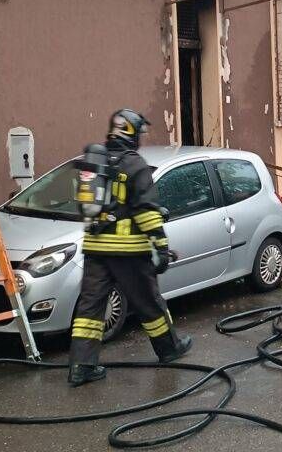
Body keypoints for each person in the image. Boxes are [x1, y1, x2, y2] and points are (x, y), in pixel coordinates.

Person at [68, 109, 192, 386]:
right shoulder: (135, 166)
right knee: (149, 303)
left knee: (90, 307)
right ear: (131, 132)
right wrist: (160, 247)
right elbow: (147, 212)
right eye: (140, 133)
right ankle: (170, 349)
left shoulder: (97, 161)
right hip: (128, 251)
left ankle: (81, 367)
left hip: (96, 248)